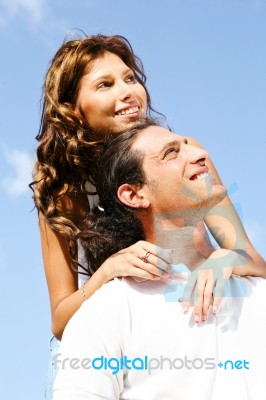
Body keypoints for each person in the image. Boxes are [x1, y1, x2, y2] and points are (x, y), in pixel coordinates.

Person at [31, 34, 266, 397]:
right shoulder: (63, 188)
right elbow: (61, 320)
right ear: (73, 108)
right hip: (111, 337)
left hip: (193, 318)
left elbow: (251, 259)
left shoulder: (186, 156)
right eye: (105, 85)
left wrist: (224, 258)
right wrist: (106, 273)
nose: (128, 91)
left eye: (129, 78)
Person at [53, 119, 266, 399]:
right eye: (172, 153)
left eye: (188, 146)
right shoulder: (109, 311)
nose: (202, 155)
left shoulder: (255, 291)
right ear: (134, 194)